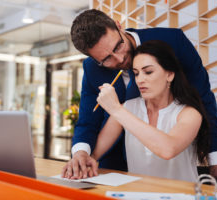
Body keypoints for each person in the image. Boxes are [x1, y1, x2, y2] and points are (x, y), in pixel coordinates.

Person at [62, 9, 217, 186]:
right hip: (118, 170)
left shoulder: (174, 43)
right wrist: (81, 154)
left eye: (118, 46)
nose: (119, 58)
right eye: (106, 59)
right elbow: (88, 119)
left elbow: (203, 97)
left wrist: (216, 160)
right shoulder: (95, 70)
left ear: (119, 26)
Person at [90, 40, 210, 182]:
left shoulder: (189, 113)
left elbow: (168, 149)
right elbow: (93, 154)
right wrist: (82, 159)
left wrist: (115, 109)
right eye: (136, 73)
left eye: (148, 72)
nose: (140, 80)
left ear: (170, 75)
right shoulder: (128, 107)